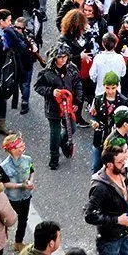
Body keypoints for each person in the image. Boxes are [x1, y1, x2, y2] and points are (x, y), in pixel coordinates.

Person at [84, 144, 128, 255]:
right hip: (110, 239)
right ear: (109, 165)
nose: (124, 164)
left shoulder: (121, 171)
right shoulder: (100, 187)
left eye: (124, 159)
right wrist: (118, 220)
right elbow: (90, 216)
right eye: (120, 162)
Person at [35, 42, 83, 170]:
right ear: (54, 57)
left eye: (65, 57)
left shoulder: (72, 68)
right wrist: (51, 91)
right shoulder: (47, 71)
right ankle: (54, 157)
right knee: (54, 133)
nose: (62, 60)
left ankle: (63, 142)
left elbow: (78, 84)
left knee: (71, 129)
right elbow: (38, 87)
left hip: (69, 106)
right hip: (53, 108)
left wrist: (77, 101)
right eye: (60, 57)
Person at [0, 133, 35, 252]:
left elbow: (31, 171)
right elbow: (5, 183)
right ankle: (2, 238)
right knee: (6, 219)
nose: (23, 147)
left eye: (22, 144)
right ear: (12, 149)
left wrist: (30, 182)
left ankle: (18, 242)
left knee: (23, 219)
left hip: (26, 196)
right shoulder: (4, 166)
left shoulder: (28, 159)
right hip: (12, 198)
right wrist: (21, 185)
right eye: (20, 146)